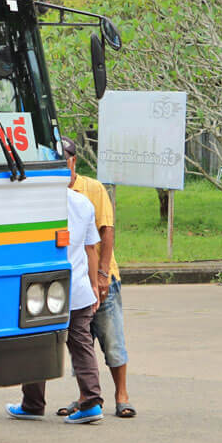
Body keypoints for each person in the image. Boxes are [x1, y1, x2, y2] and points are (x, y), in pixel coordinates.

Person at [5, 187, 105, 424]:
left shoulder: (34, 200)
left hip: (42, 290)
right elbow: (90, 249)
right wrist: (93, 285)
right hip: (77, 287)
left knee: (36, 343)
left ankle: (32, 404)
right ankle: (91, 401)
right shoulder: (83, 203)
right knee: (81, 345)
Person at [57, 136, 136, 419]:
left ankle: (121, 395)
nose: (60, 164)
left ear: (73, 160)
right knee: (80, 342)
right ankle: (86, 397)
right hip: (69, 281)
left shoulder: (92, 188)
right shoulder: (48, 191)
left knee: (111, 339)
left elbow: (106, 231)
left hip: (100, 277)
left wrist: (102, 276)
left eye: (64, 158)